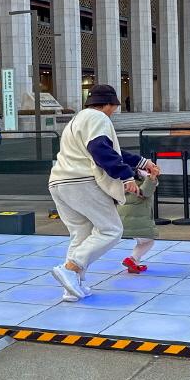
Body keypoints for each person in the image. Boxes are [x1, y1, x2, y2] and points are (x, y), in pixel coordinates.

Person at [48, 84, 160, 301]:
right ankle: (70, 269)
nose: (114, 111)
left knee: (81, 234)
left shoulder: (78, 119)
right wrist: (126, 176)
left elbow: (111, 151)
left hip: (59, 182)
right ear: (109, 104)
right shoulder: (99, 119)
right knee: (111, 230)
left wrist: (142, 162)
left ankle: (72, 287)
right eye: (114, 107)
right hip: (81, 182)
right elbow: (100, 150)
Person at [118, 172, 158, 273]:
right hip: (138, 221)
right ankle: (132, 259)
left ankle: (134, 264)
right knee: (148, 241)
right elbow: (148, 190)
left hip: (122, 220)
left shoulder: (119, 183)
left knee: (142, 241)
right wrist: (150, 176)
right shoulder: (141, 184)